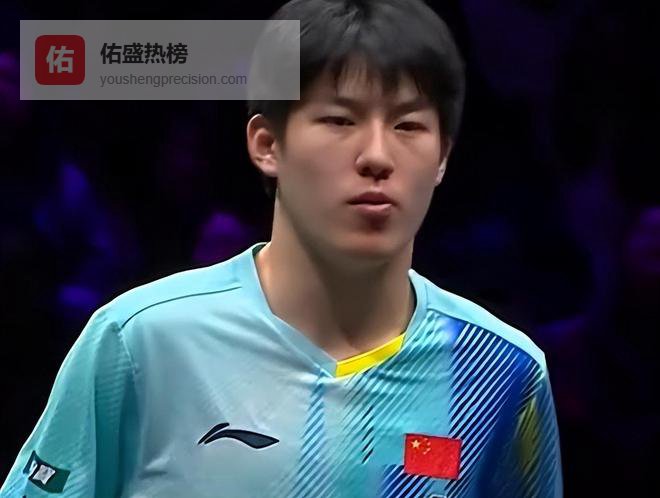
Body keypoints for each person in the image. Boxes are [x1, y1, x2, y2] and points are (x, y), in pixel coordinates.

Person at [1, 0, 562, 496]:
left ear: (442, 158)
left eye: (408, 126)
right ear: (267, 144)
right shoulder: (142, 340)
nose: (376, 156)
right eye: (339, 119)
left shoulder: (500, 373)